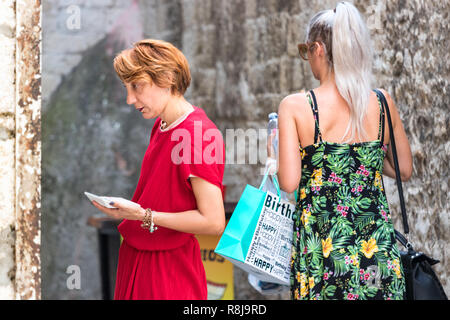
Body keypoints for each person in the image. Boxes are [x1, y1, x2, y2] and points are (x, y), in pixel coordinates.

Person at [277, 2, 413, 300]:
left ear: (318, 50)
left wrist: (276, 150)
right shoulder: (381, 101)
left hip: (322, 257)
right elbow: (402, 169)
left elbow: (288, 182)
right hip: (377, 254)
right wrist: (369, 158)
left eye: (306, 52)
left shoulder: (296, 106)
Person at [91, 39, 226, 300]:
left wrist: (143, 215)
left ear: (166, 78)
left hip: (167, 271)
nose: (130, 99)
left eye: (137, 86)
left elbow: (213, 221)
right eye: (126, 87)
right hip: (138, 259)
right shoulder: (162, 124)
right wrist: (131, 213)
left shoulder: (198, 134)